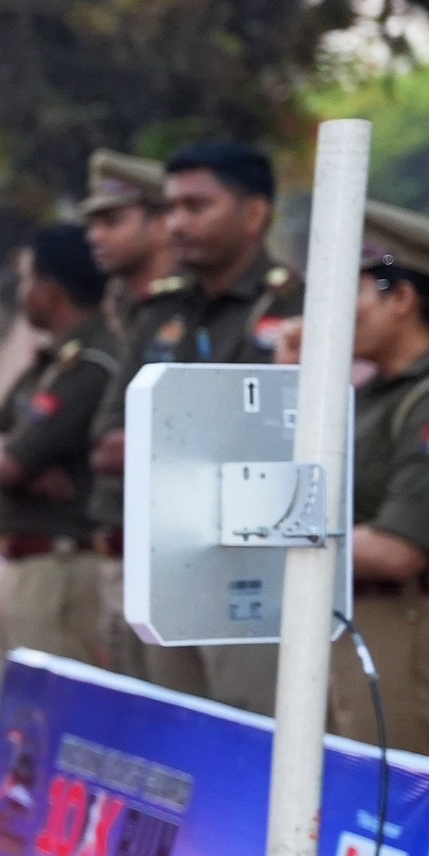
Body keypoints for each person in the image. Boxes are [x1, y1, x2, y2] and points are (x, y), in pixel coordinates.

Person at [322, 203, 429, 761]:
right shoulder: (379, 394)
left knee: (398, 792)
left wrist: (286, 534)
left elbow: (399, 550)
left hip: (407, 628)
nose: (333, 309)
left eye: (353, 291)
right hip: (362, 621)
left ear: (400, 299)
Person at [163, 141, 301, 719]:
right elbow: (109, 435)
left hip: (252, 571)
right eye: (171, 208)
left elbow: (269, 441)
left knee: (251, 736)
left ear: (254, 213)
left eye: (196, 206)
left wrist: (171, 446)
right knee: (169, 739)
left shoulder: (296, 305)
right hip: (166, 559)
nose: (176, 223)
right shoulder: (165, 310)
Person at [0, 226, 116, 666]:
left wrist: (12, 459)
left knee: (54, 705)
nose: (22, 293)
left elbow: (9, 466)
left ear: (50, 291)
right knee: (22, 707)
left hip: (59, 571)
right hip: (28, 568)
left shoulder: (90, 365)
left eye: (27, 280)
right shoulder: (50, 364)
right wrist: (14, 455)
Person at [78, 151, 193, 683]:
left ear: (160, 222)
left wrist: (140, 444)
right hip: (119, 545)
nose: (95, 236)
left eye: (112, 220)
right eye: (92, 223)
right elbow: (104, 439)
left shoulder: (189, 309)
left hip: (179, 558)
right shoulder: (127, 309)